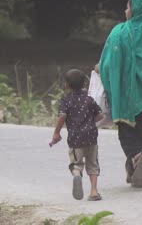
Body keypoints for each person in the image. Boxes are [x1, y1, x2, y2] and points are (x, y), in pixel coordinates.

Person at [95, 0, 142, 187]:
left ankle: (136, 156)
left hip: (125, 95)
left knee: (127, 132)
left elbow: (108, 63)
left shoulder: (120, 32)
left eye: (128, 7)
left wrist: (99, 68)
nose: (125, 10)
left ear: (136, 10)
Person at [50, 69, 104, 201]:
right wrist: (91, 122)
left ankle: (77, 174)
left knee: (76, 164)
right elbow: (101, 115)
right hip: (92, 137)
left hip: (75, 139)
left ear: (67, 84)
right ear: (85, 83)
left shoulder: (65, 101)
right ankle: (94, 192)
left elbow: (62, 116)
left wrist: (56, 133)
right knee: (93, 164)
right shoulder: (89, 99)